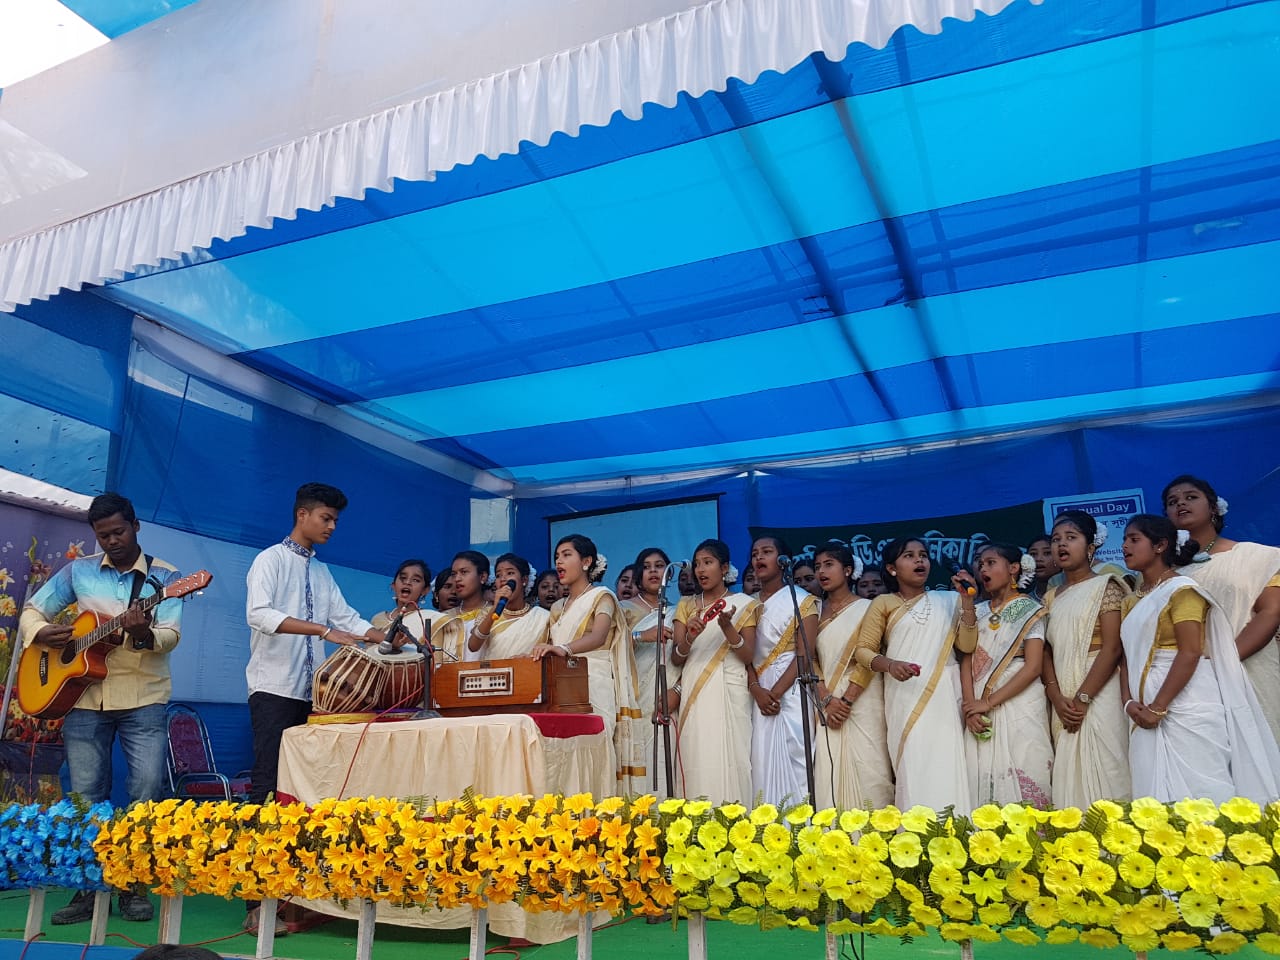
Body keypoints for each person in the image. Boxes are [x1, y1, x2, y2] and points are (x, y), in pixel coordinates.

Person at [20, 492, 183, 925]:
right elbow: (33, 609)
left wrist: (143, 632)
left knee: (146, 791)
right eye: (103, 535)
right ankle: (88, 888)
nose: (112, 540)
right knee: (85, 796)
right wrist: (42, 633)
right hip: (83, 697)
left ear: (135, 526)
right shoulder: (79, 570)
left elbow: (170, 635)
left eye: (119, 531)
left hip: (142, 696)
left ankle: (132, 884)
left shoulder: (166, 577)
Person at [243, 482, 379, 935]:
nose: (332, 526)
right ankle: (256, 901)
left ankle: (300, 895)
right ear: (302, 514)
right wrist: (322, 632)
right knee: (267, 787)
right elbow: (258, 614)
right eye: (326, 518)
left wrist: (383, 635)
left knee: (306, 790)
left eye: (336, 520)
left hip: (315, 697)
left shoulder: (321, 573)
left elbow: (347, 619)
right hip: (273, 690)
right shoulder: (269, 560)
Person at [1119, 514, 1280, 802]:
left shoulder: (1182, 591)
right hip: (1141, 708)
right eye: (1124, 540)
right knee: (1152, 799)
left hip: (1186, 702)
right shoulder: (1131, 601)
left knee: (1204, 794)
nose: (1125, 547)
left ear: (1160, 546)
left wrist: (1159, 707)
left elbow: (1191, 651)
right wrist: (1129, 703)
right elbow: (1126, 658)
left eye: (1134, 539)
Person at [855, 537, 977, 813]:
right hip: (904, 694)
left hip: (945, 696)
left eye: (923, 555)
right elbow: (863, 651)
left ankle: (955, 829)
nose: (919, 560)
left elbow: (967, 645)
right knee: (913, 762)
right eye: (908, 556)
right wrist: (890, 665)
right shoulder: (884, 603)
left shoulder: (949, 600)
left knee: (947, 762)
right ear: (892, 568)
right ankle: (915, 831)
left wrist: (967, 602)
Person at [1164, 474, 1280, 742]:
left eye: (1191, 497)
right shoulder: (1161, 573)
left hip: (1247, 673)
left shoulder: (1258, 557)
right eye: (1172, 502)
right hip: (1187, 687)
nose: (1181, 503)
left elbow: (1270, 613)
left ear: (1214, 508)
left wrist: (1220, 665)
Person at [533, 535, 646, 791]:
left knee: (596, 750)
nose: (559, 561)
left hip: (595, 683)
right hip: (562, 687)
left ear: (586, 562)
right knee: (566, 753)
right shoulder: (557, 607)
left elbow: (599, 636)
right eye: (557, 556)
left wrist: (564, 649)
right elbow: (549, 645)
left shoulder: (602, 597)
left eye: (566, 555)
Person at [1040, 510, 1131, 809]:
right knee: (1069, 779)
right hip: (1063, 698)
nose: (1061, 545)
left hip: (1099, 692)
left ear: (1090, 547)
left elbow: (1113, 648)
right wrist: (1056, 696)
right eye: (1056, 539)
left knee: (1108, 770)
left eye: (1071, 537)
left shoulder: (1107, 586)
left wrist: (1083, 698)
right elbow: (1045, 651)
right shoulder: (1050, 597)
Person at [959, 544, 1052, 807]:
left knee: (1027, 766)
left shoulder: (1030, 609)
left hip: (1020, 702)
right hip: (978, 705)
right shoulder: (976, 612)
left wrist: (988, 703)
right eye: (980, 564)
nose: (983, 569)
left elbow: (1033, 667)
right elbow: (966, 659)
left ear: (1013, 568)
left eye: (991, 563)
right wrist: (971, 707)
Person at [669, 539, 758, 804]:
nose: (700, 570)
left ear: (725, 568)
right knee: (698, 754)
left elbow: (748, 656)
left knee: (731, 757)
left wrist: (728, 628)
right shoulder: (686, 605)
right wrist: (690, 637)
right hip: (695, 687)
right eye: (697, 564)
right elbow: (676, 658)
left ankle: (734, 817)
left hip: (730, 687)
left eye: (707, 562)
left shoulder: (744, 604)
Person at [811, 542, 892, 810]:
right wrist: (826, 698)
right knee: (829, 774)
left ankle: (874, 833)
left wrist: (846, 701)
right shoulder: (813, 611)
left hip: (863, 699)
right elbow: (809, 658)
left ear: (847, 570)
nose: (822, 572)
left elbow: (870, 656)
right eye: (818, 567)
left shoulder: (869, 607)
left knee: (870, 769)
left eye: (829, 565)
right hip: (826, 702)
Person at [747, 536, 818, 806]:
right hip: (756, 694)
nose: (759, 558)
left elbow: (805, 654)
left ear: (783, 560)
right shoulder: (746, 604)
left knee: (796, 761)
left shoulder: (802, 601)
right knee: (760, 762)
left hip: (790, 693)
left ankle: (800, 826)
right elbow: (742, 656)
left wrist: (774, 694)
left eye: (766, 552)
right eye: (755, 553)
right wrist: (757, 691)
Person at [622, 548, 678, 794]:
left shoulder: (678, 611)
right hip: (634, 695)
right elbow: (608, 647)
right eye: (646, 567)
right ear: (638, 574)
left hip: (666, 698)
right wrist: (641, 636)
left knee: (666, 759)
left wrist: (677, 691)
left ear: (669, 572)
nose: (653, 571)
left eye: (659, 565)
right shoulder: (623, 608)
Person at [468, 553, 548, 659]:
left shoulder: (542, 617)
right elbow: (473, 646)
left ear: (524, 580)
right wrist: (495, 608)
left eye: (510, 573)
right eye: (498, 575)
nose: (503, 579)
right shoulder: (487, 613)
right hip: (496, 669)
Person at [434, 551, 491, 662]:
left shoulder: (496, 614)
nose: (457, 579)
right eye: (454, 574)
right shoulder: (443, 619)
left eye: (464, 572)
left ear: (483, 577)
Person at [370, 560, 438, 650]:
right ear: (393, 585)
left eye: (415, 580)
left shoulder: (430, 620)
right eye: (403, 578)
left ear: (425, 590)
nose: (407, 582)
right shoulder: (378, 619)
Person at [1025, 534, 1058, 602]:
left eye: (1047, 553)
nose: (1038, 559)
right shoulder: (1025, 602)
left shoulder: (1072, 592)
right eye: (1033, 554)